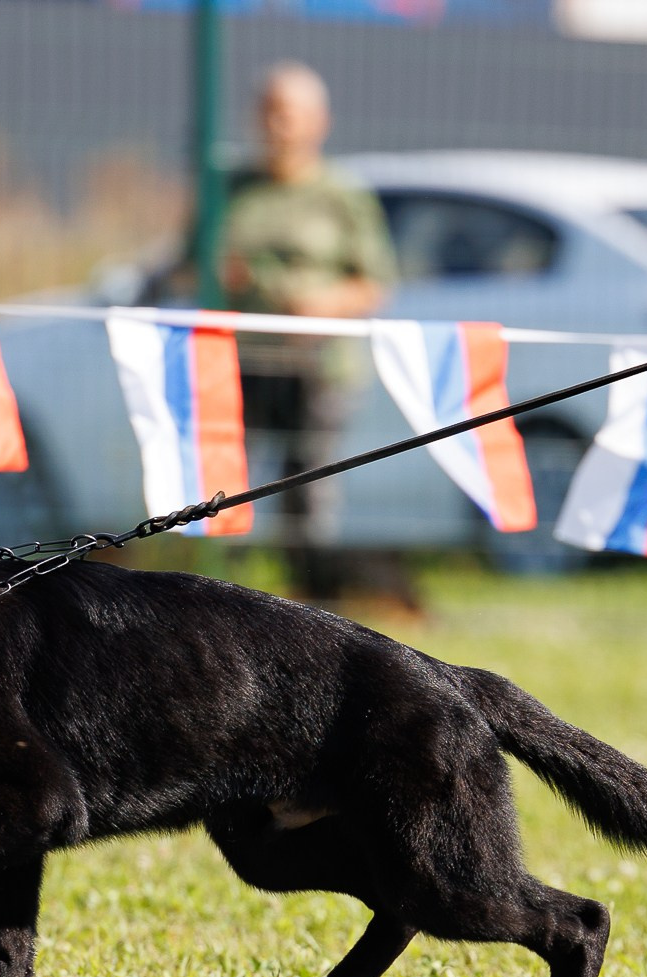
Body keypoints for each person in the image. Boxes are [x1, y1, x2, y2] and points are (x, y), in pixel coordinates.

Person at [215, 62, 398, 599]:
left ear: (320, 122)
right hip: (241, 361)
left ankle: (313, 601)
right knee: (223, 482)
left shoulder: (343, 195)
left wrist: (320, 305)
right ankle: (219, 593)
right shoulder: (229, 189)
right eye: (268, 112)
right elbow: (186, 265)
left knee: (308, 493)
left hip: (318, 367)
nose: (278, 125)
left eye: (289, 114)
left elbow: (375, 282)